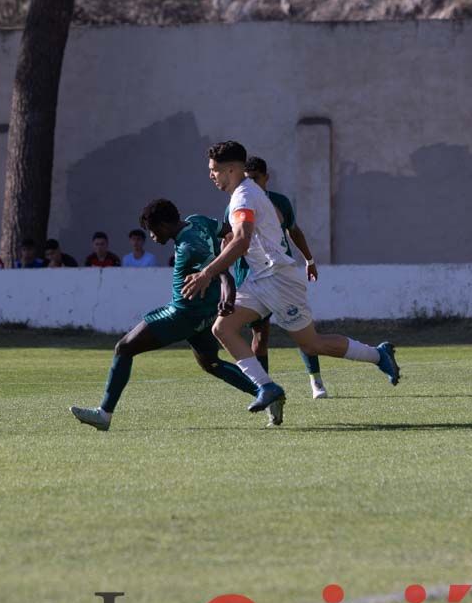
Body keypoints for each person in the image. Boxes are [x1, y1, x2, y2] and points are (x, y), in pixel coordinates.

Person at [182, 141, 399, 427]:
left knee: (312, 343)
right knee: (223, 328)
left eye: (214, 170)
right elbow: (262, 228)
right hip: (262, 278)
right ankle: (267, 387)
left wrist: (208, 272)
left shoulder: (243, 197)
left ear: (231, 169)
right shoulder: (248, 192)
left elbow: (244, 238)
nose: (211, 175)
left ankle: (378, 354)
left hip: (280, 280)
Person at [69, 199, 261, 432]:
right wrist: (228, 249)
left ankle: (104, 414)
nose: (151, 236)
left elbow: (221, 272)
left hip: (182, 314)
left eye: (151, 231)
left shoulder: (190, 245)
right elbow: (230, 230)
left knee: (124, 347)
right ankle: (266, 392)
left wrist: (229, 296)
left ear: (162, 225)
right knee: (211, 364)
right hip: (204, 311)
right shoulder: (198, 221)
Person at [227, 156, 328, 399]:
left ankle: (316, 381)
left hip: (280, 275)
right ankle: (265, 388)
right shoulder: (238, 200)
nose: (253, 183)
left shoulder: (279, 202)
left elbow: (294, 231)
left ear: (266, 177)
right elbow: (229, 237)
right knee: (260, 337)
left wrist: (309, 260)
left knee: (301, 329)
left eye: (256, 179)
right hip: (251, 278)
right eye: (248, 178)